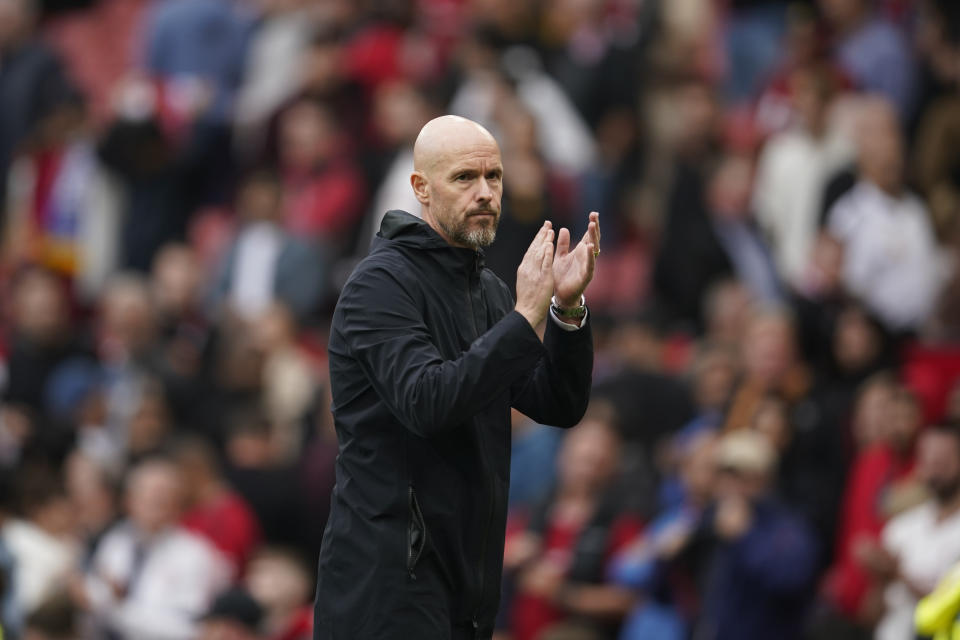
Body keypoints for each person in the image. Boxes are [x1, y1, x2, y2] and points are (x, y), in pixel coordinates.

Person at [313, 114, 600, 639]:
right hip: (390, 583)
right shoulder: (378, 283)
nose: (486, 192)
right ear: (421, 188)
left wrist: (565, 309)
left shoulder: (486, 290)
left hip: (467, 580)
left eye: (494, 177)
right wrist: (525, 317)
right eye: (465, 178)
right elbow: (427, 402)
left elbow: (559, 402)